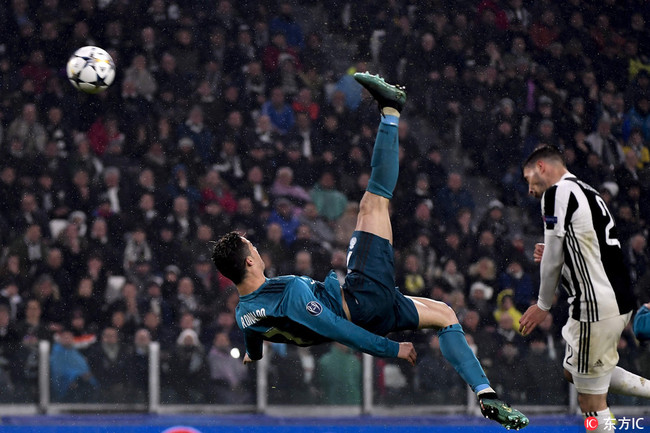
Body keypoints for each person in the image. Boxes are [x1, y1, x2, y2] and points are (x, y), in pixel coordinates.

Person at [212, 73, 528, 430]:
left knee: (446, 315)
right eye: (253, 246)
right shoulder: (290, 294)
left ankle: (485, 393)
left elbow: (254, 337)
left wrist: (253, 356)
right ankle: (391, 109)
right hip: (362, 300)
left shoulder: (244, 312)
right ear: (250, 260)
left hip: (371, 308)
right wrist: (392, 349)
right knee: (374, 201)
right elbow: (338, 331)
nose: (257, 247)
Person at [519, 146, 650, 432]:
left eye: (529, 180)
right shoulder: (585, 190)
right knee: (572, 371)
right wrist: (561, 255)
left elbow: (553, 254)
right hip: (614, 297)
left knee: (591, 401)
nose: (529, 190)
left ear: (542, 167)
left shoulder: (556, 193)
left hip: (595, 305)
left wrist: (542, 305)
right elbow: (592, 254)